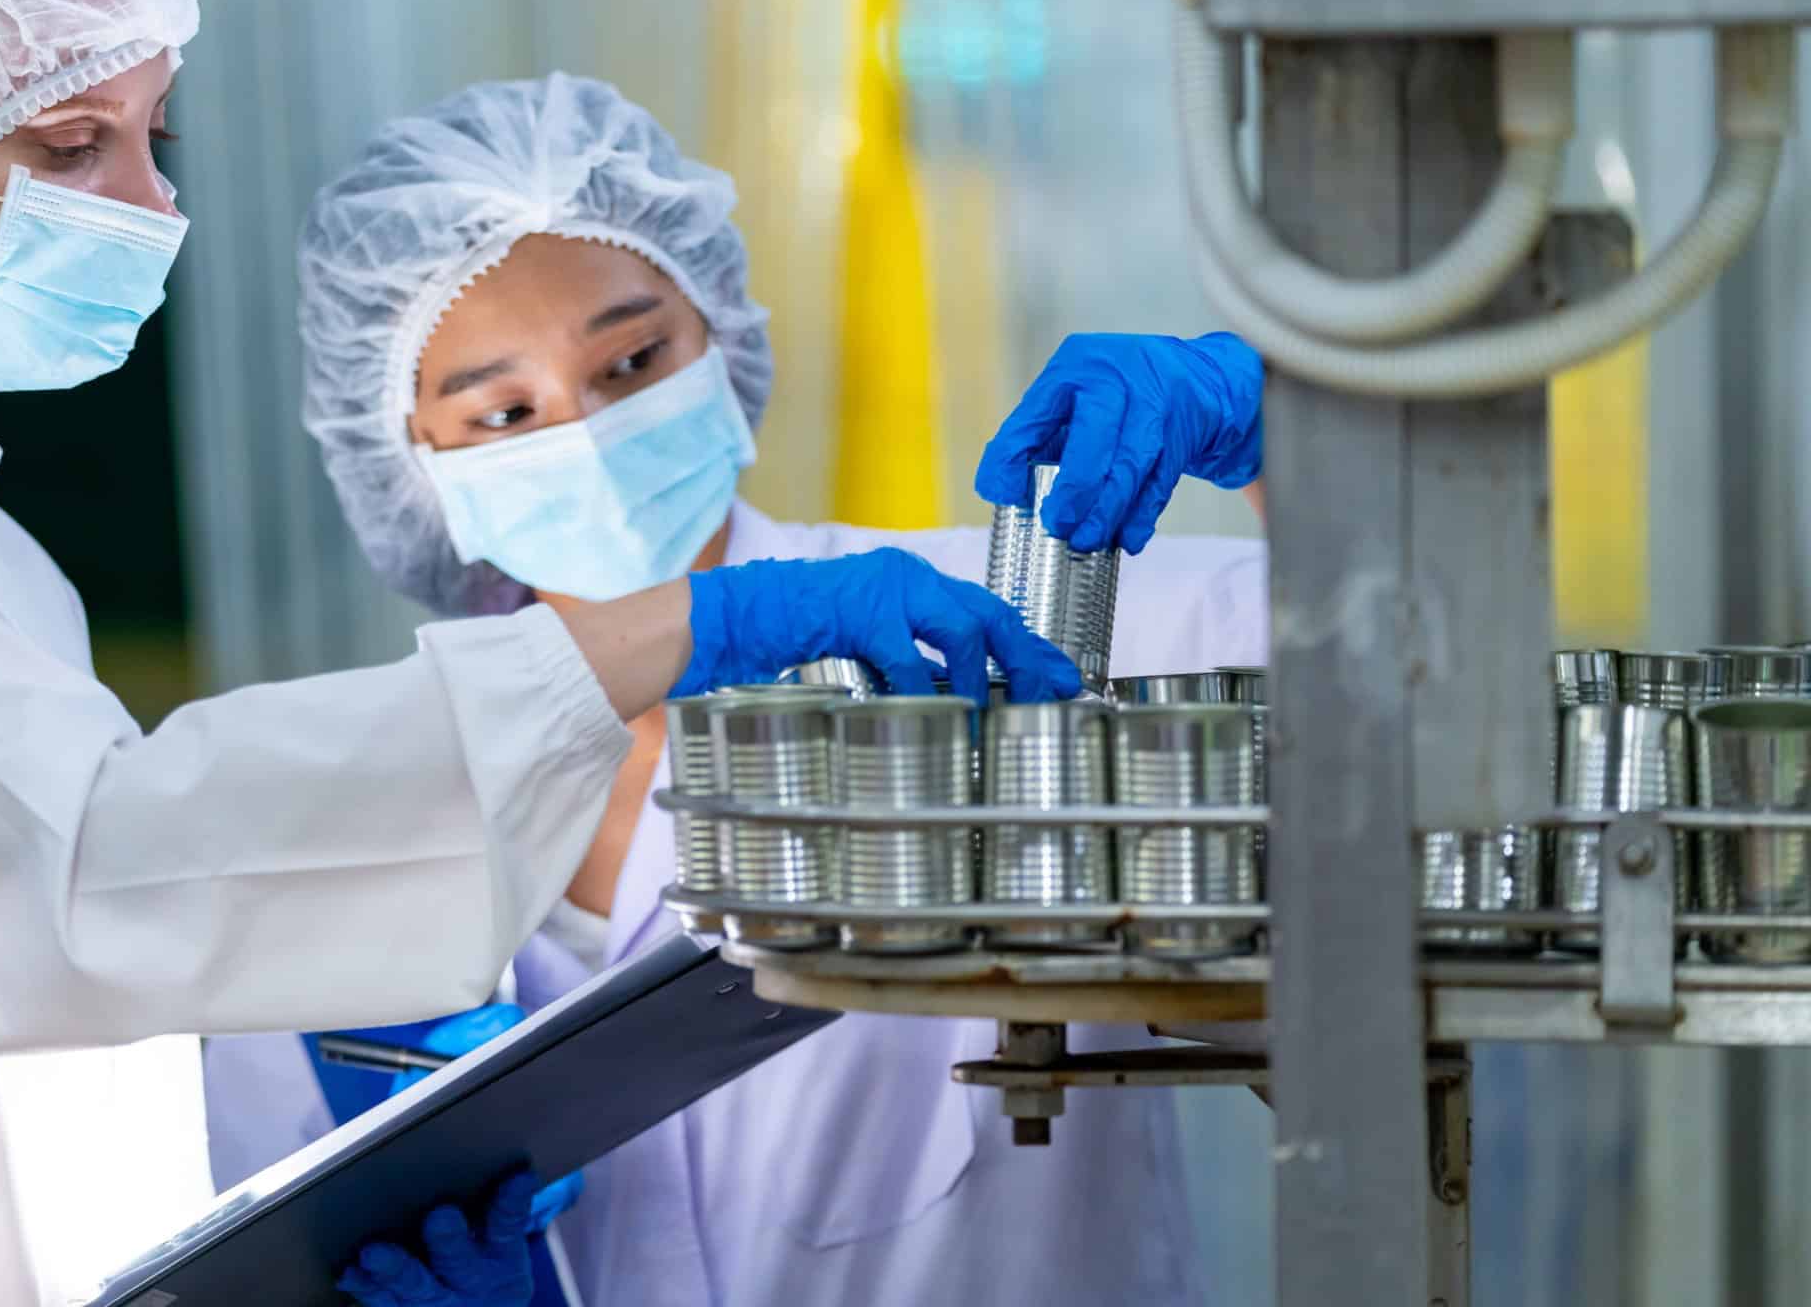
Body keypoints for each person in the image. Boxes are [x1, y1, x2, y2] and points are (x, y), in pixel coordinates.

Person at [0, 0, 1083, 1306]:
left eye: (151, 140)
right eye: (69, 146)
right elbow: (85, 881)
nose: (150, 207)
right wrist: (676, 633)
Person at [201, 73, 1271, 1306]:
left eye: (633, 358)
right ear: (409, 461)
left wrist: (1279, 425)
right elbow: (269, 1243)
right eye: (502, 412)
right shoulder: (356, 821)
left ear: (718, 331)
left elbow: (1397, 666)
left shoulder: (1006, 628)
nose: (590, 433)